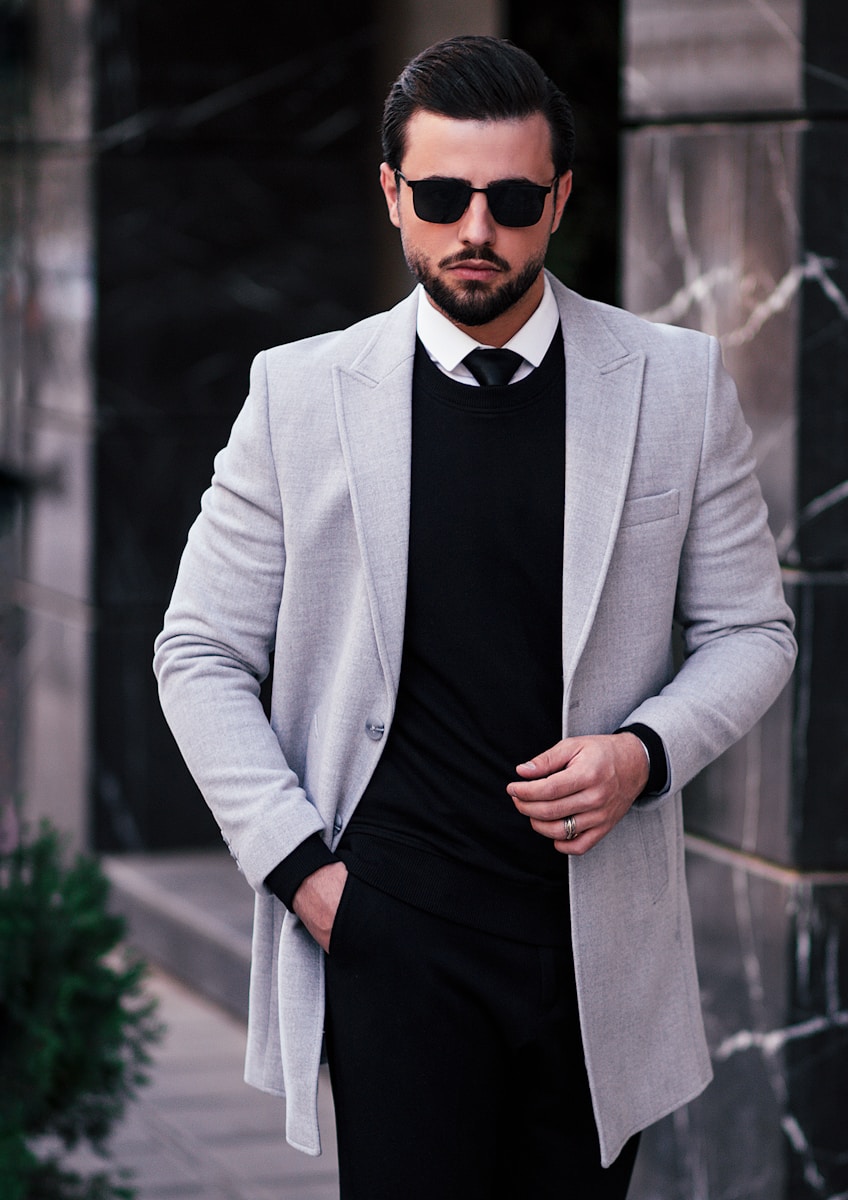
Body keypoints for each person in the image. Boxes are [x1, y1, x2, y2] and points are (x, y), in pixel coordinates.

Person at [154, 35, 796, 1200]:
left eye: (511, 200)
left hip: (595, 945)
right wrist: (302, 872)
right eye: (444, 196)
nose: (477, 229)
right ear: (393, 192)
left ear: (560, 197)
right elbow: (199, 649)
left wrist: (643, 754)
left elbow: (753, 631)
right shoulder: (297, 394)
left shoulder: (675, 382)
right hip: (389, 927)